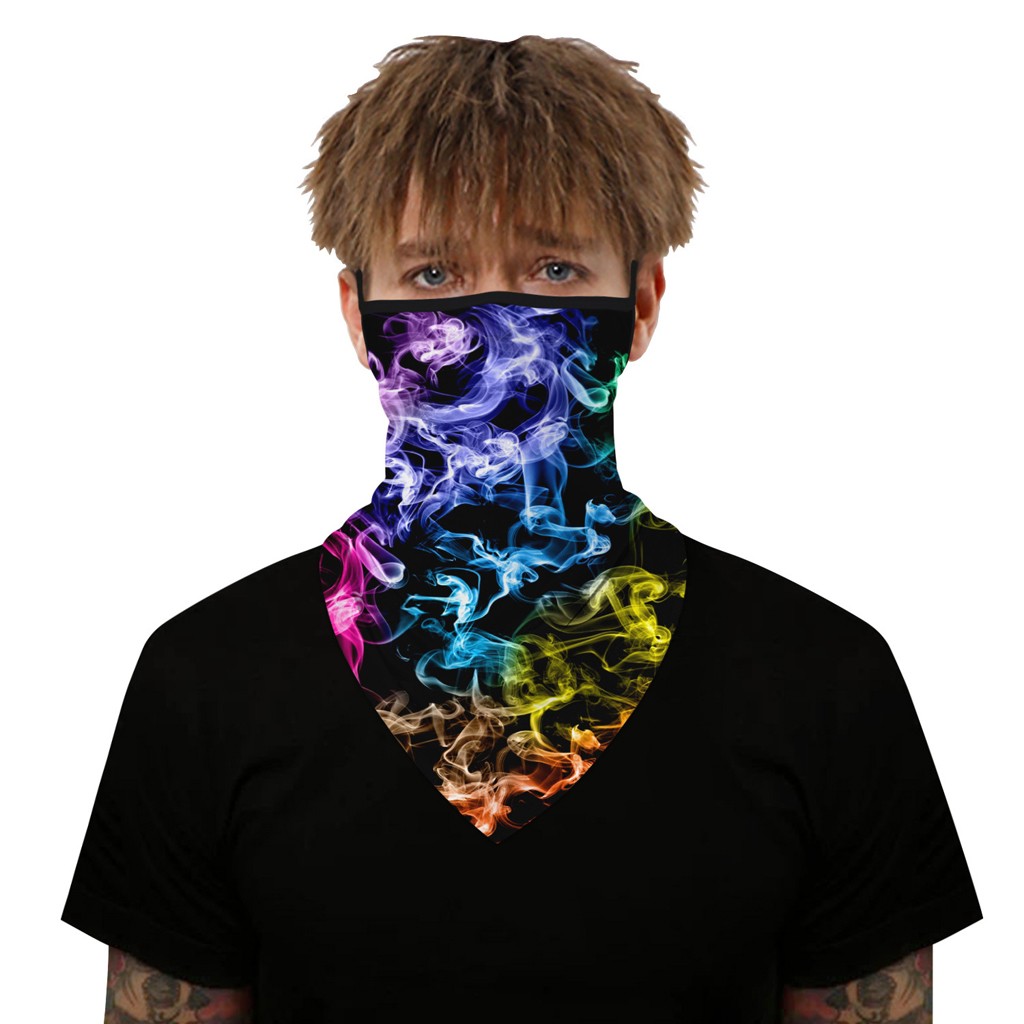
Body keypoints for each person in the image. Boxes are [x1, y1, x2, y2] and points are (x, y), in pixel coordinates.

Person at [60, 34, 982, 1023]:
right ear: (356, 314)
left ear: (641, 303)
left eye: (553, 267)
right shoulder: (204, 683)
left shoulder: (824, 683)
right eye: (430, 274)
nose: (493, 331)